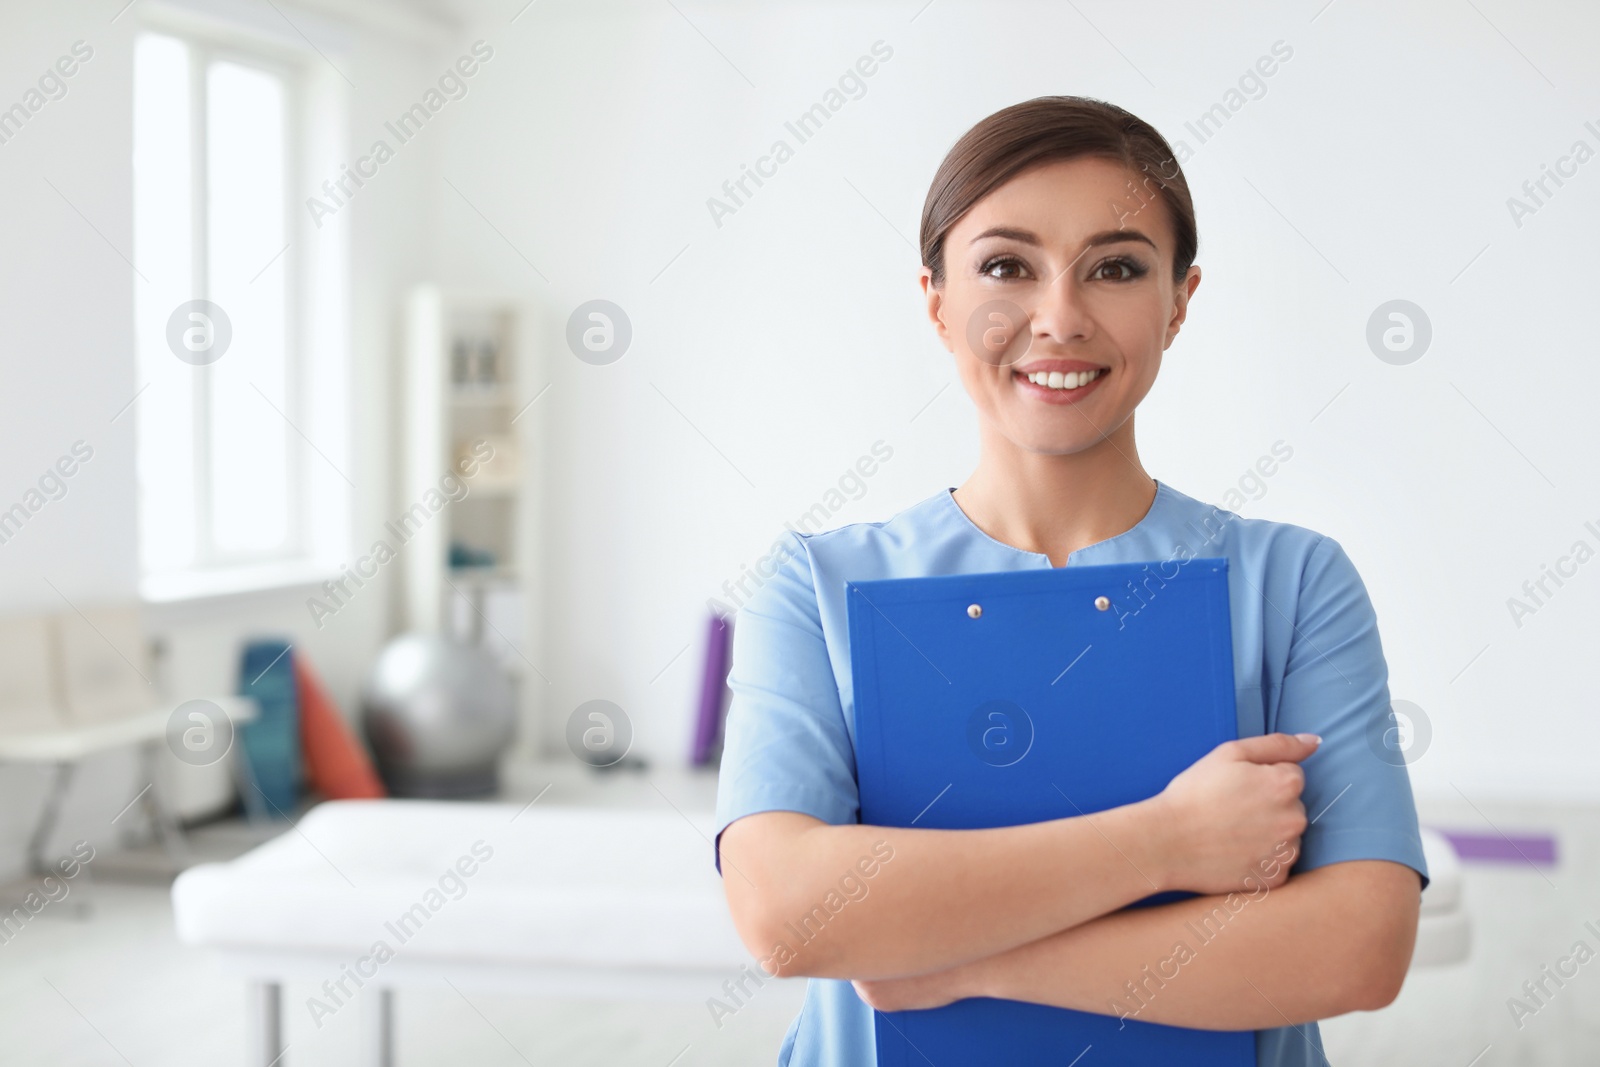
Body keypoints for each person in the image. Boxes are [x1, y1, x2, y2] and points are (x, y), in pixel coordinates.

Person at [713, 95, 1428, 1066]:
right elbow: (787, 910)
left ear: (1179, 300)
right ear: (937, 302)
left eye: (1117, 268)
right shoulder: (812, 584)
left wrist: (956, 959)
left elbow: (1358, 945)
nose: (1058, 316)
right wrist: (1167, 840)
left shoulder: (1293, 580)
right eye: (1007, 266)